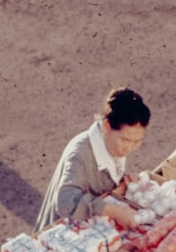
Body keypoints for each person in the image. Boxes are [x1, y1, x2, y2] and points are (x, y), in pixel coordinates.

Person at [34, 87, 151, 232]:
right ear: (107, 126)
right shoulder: (79, 153)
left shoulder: (113, 142)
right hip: (61, 235)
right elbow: (66, 201)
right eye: (126, 140)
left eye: (137, 141)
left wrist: (124, 181)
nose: (130, 148)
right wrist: (113, 210)